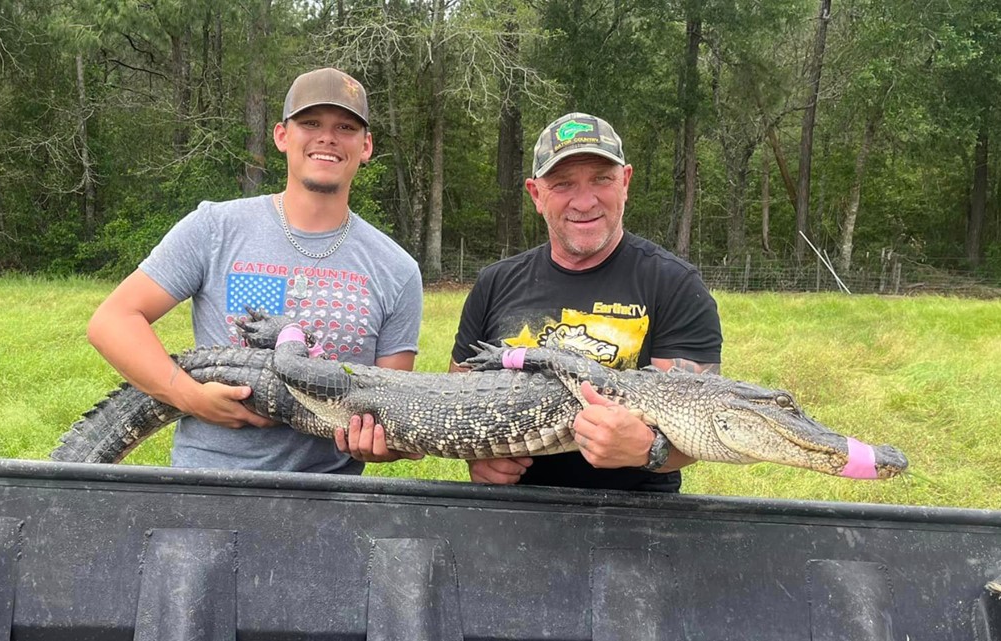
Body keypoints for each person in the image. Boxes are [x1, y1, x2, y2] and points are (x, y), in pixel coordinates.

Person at [88, 67, 424, 474]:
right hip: (208, 484)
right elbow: (113, 321)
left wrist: (379, 445)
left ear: (366, 145)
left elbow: (392, 411)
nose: (327, 137)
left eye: (346, 127)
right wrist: (190, 396)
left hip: (330, 497)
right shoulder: (215, 227)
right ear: (282, 135)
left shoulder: (397, 269)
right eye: (311, 123)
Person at [449, 112, 722, 491]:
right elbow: (455, 397)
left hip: (634, 518)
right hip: (512, 515)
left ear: (625, 182)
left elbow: (699, 426)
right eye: (563, 184)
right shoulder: (495, 282)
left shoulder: (675, 284)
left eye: (601, 179)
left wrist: (647, 450)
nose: (584, 201)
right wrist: (478, 456)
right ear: (536, 194)